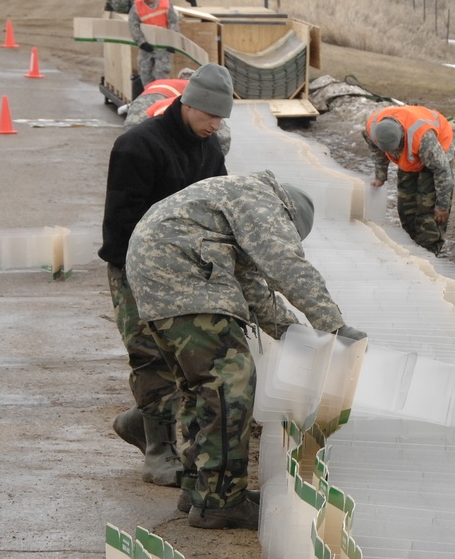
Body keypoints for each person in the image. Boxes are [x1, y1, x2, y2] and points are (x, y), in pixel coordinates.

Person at [125, 171, 367, 529]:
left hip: (159, 277)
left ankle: (199, 488)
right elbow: (286, 264)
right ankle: (221, 501)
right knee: (229, 387)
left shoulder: (230, 202)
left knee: (201, 389)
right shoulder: (263, 200)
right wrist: (332, 326)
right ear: (289, 216)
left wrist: (295, 335)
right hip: (185, 277)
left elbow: (252, 288)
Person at [98, 63, 234, 488]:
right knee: (149, 354)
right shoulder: (138, 147)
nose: (216, 124)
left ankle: (142, 421)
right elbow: (120, 222)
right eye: (210, 114)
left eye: (222, 117)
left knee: (182, 359)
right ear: (188, 104)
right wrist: (138, 278)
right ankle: (160, 450)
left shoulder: (210, 151)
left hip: (181, 270)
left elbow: (218, 212)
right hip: (133, 267)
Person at [364, 105, 454, 256]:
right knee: (406, 206)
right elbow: (376, 150)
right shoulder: (373, 128)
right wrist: (380, 176)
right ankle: (412, 244)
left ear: (401, 137)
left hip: (438, 148)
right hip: (411, 154)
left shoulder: (423, 139)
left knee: (427, 208)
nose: (392, 153)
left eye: (395, 148)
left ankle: (429, 252)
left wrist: (442, 206)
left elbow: (442, 171)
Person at [124, 68, 232, 155]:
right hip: (152, 108)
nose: (216, 125)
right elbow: (223, 138)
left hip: (141, 104)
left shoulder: (182, 88)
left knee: (132, 145)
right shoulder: (204, 95)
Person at [129, 0, 179, 90]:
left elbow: (173, 23)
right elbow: (133, 26)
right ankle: (149, 97)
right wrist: (141, 42)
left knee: (161, 75)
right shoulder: (137, 7)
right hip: (146, 47)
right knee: (145, 73)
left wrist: (172, 42)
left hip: (163, 47)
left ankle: (159, 97)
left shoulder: (165, 4)